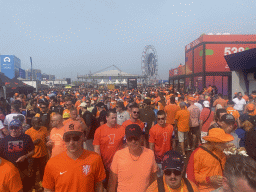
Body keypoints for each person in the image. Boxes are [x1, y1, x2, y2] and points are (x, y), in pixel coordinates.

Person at [42, 120, 106, 192]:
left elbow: (99, 186)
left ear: (82, 137)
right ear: (64, 139)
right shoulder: (52, 163)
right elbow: (48, 189)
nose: (71, 142)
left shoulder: (95, 159)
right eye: (67, 139)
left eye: (75, 138)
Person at [108, 124, 158, 192]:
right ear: (126, 139)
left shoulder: (150, 154)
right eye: (130, 139)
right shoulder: (118, 155)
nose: (133, 141)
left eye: (136, 138)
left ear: (141, 138)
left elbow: (153, 181)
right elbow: (112, 183)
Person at [93, 109, 125, 189]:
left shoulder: (122, 129)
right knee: (107, 187)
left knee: (119, 187)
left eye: (115, 118)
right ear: (106, 118)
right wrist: (100, 165)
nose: (114, 120)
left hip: (119, 165)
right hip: (105, 165)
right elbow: (97, 149)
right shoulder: (99, 130)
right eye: (112, 118)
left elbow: (125, 146)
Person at [0, 119, 35, 192]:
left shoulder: (26, 138)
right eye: (11, 128)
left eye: (16, 128)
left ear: (20, 128)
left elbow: (32, 151)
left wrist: (25, 156)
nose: (13, 130)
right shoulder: (4, 140)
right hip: (9, 171)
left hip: (23, 167)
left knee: (24, 185)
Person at [25, 116, 48, 191]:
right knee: (32, 172)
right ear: (32, 123)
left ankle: (43, 186)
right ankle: (32, 187)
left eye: (40, 121)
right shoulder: (28, 132)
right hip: (33, 156)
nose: (40, 123)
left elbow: (47, 139)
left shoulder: (44, 129)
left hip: (43, 155)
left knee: (43, 172)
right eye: (38, 122)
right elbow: (26, 145)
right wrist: (33, 143)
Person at [149, 110, 174, 177]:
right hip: (158, 158)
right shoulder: (153, 129)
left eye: (162, 118)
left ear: (165, 118)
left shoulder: (170, 127)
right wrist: (153, 160)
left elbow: (173, 141)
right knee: (159, 178)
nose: (161, 120)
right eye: (158, 119)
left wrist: (173, 153)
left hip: (168, 157)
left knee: (167, 176)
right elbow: (151, 145)